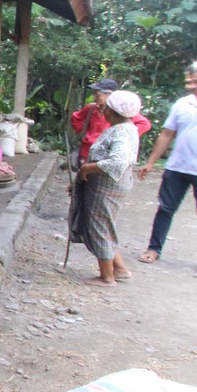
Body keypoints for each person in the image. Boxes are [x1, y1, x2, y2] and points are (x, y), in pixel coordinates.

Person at [137, 61, 197, 275]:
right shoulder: (183, 103)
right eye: (189, 82)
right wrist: (151, 161)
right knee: (165, 209)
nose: (193, 86)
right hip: (177, 167)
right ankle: (154, 249)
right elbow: (167, 133)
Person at [69, 90, 143, 287]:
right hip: (107, 184)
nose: (103, 109)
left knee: (99, 228)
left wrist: (87, 168)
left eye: (106, 107)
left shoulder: (122, 131)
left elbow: (116, 163)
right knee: (105, 226)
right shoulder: (126, 128)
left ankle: (107, 277)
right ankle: (119, 269)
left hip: (106, 185)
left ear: (113, 111)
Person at [70, 77, 152, 168]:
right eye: (94, 94)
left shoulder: (122, 112)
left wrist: (124, 135)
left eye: (97, 95)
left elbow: (145, 124)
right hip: (87, 151)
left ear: (110, 95)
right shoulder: (91, 108)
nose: (94, 97)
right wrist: (85, 133)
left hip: (108, 154)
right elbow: (75, 117)